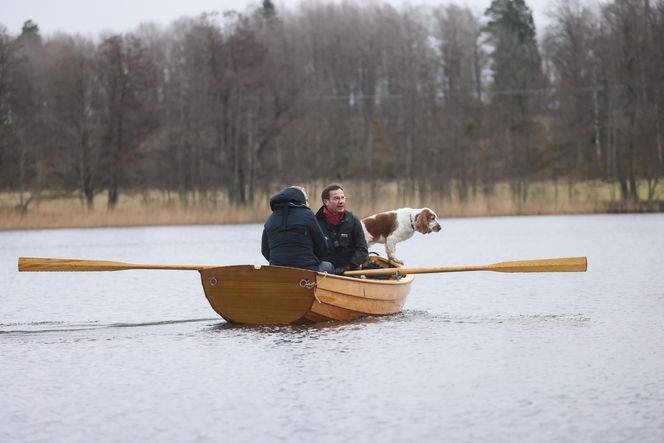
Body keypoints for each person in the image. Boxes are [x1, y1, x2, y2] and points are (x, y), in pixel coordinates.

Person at [261, 186, 335, 273]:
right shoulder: (307, 215)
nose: (308, 204)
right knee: (329, 266)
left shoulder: (271, 219)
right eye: (306, 200)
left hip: (277, 271)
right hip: (307, 270)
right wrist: (313, 261)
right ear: (299, 199)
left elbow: (264, 250)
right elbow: (322, 247)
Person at [315, 183, 368, 275]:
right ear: (326, 201)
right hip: (325, 272)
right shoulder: (315, 222)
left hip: (349, 270)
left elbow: (362, 250)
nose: (341, 201)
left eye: (343, 198)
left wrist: (348, 267)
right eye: (336, 198)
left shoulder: (353, 220)